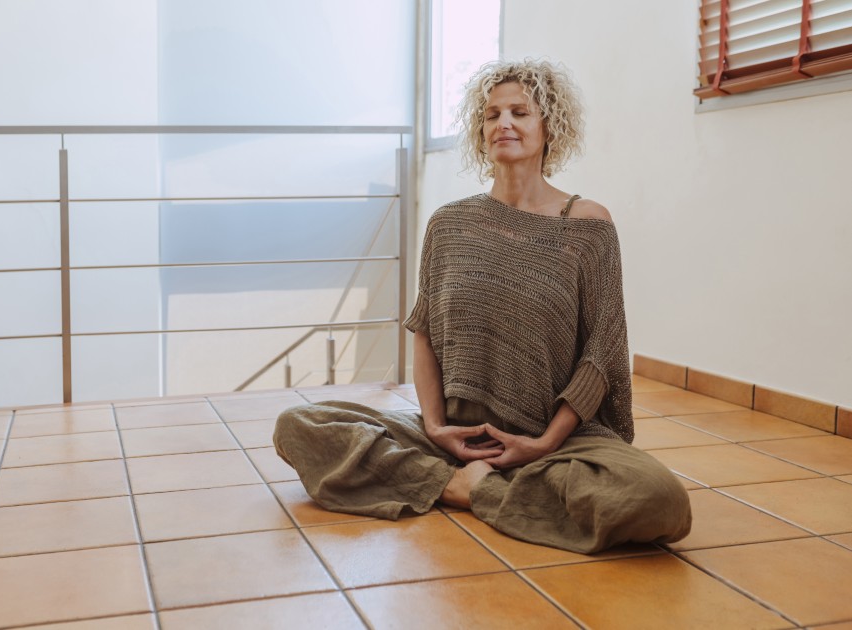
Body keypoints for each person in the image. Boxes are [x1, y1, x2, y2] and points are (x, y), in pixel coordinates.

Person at [273, 59, 691, 554]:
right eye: (492, 115)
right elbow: (424, 332)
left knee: (659, 500)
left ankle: (469, 486)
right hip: (458, 436)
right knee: (299, 426)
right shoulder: (449, 225)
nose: (504, 124)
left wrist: (543, 443)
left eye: (520, 112)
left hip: (551, 443)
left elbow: (601, 351)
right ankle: (458, 481)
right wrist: (435, 428)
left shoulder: (587, 226)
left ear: (549, 126)